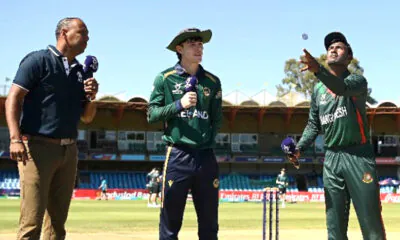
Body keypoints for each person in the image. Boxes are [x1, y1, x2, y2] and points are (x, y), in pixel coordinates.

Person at [5, 17, 98, 240]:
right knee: (31, 222)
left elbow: (87, 118)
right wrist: (15, 138)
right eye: (82, 32)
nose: (87, 38)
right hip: (37, 149)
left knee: (57, 224)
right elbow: (13, 99)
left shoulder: (80, 71)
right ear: (64, 33)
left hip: (69, 150)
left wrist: (92, 97)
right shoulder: (38, 60)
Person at [293, 32, 386, 239]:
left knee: (371, 224)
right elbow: (313, 124)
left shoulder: (357, 81)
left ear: (348, 57)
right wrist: (299, 148)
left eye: (339, 47)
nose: (333, 49)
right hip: (332, 159)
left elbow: (341, 88)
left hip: (358, 157)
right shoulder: (318, 90)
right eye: (329, 48)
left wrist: (319, 71)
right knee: (334, 226)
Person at [147, 28, 222, 240]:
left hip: (206, 156)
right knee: (170, 224)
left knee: (209, 224)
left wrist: (206, 139)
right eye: (193, 44)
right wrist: (179, 104)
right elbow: (152, 114)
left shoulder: (212, 81)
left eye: (201, 45)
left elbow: (217, 119)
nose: (199, 49)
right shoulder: (165, 78)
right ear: (179, 49)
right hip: (178, 155)